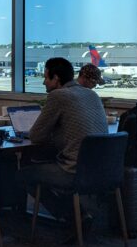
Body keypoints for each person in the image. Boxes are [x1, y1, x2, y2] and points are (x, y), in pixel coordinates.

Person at [20, 57, 108, 228]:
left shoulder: (58, 95)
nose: (44, 82)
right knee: (45, 163)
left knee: (24, 175)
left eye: (46, 78)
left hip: (75, 172)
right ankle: (78, 214)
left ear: (56, 78)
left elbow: (36, 136)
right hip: (101, 170)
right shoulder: (92, 94)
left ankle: (72, 217)